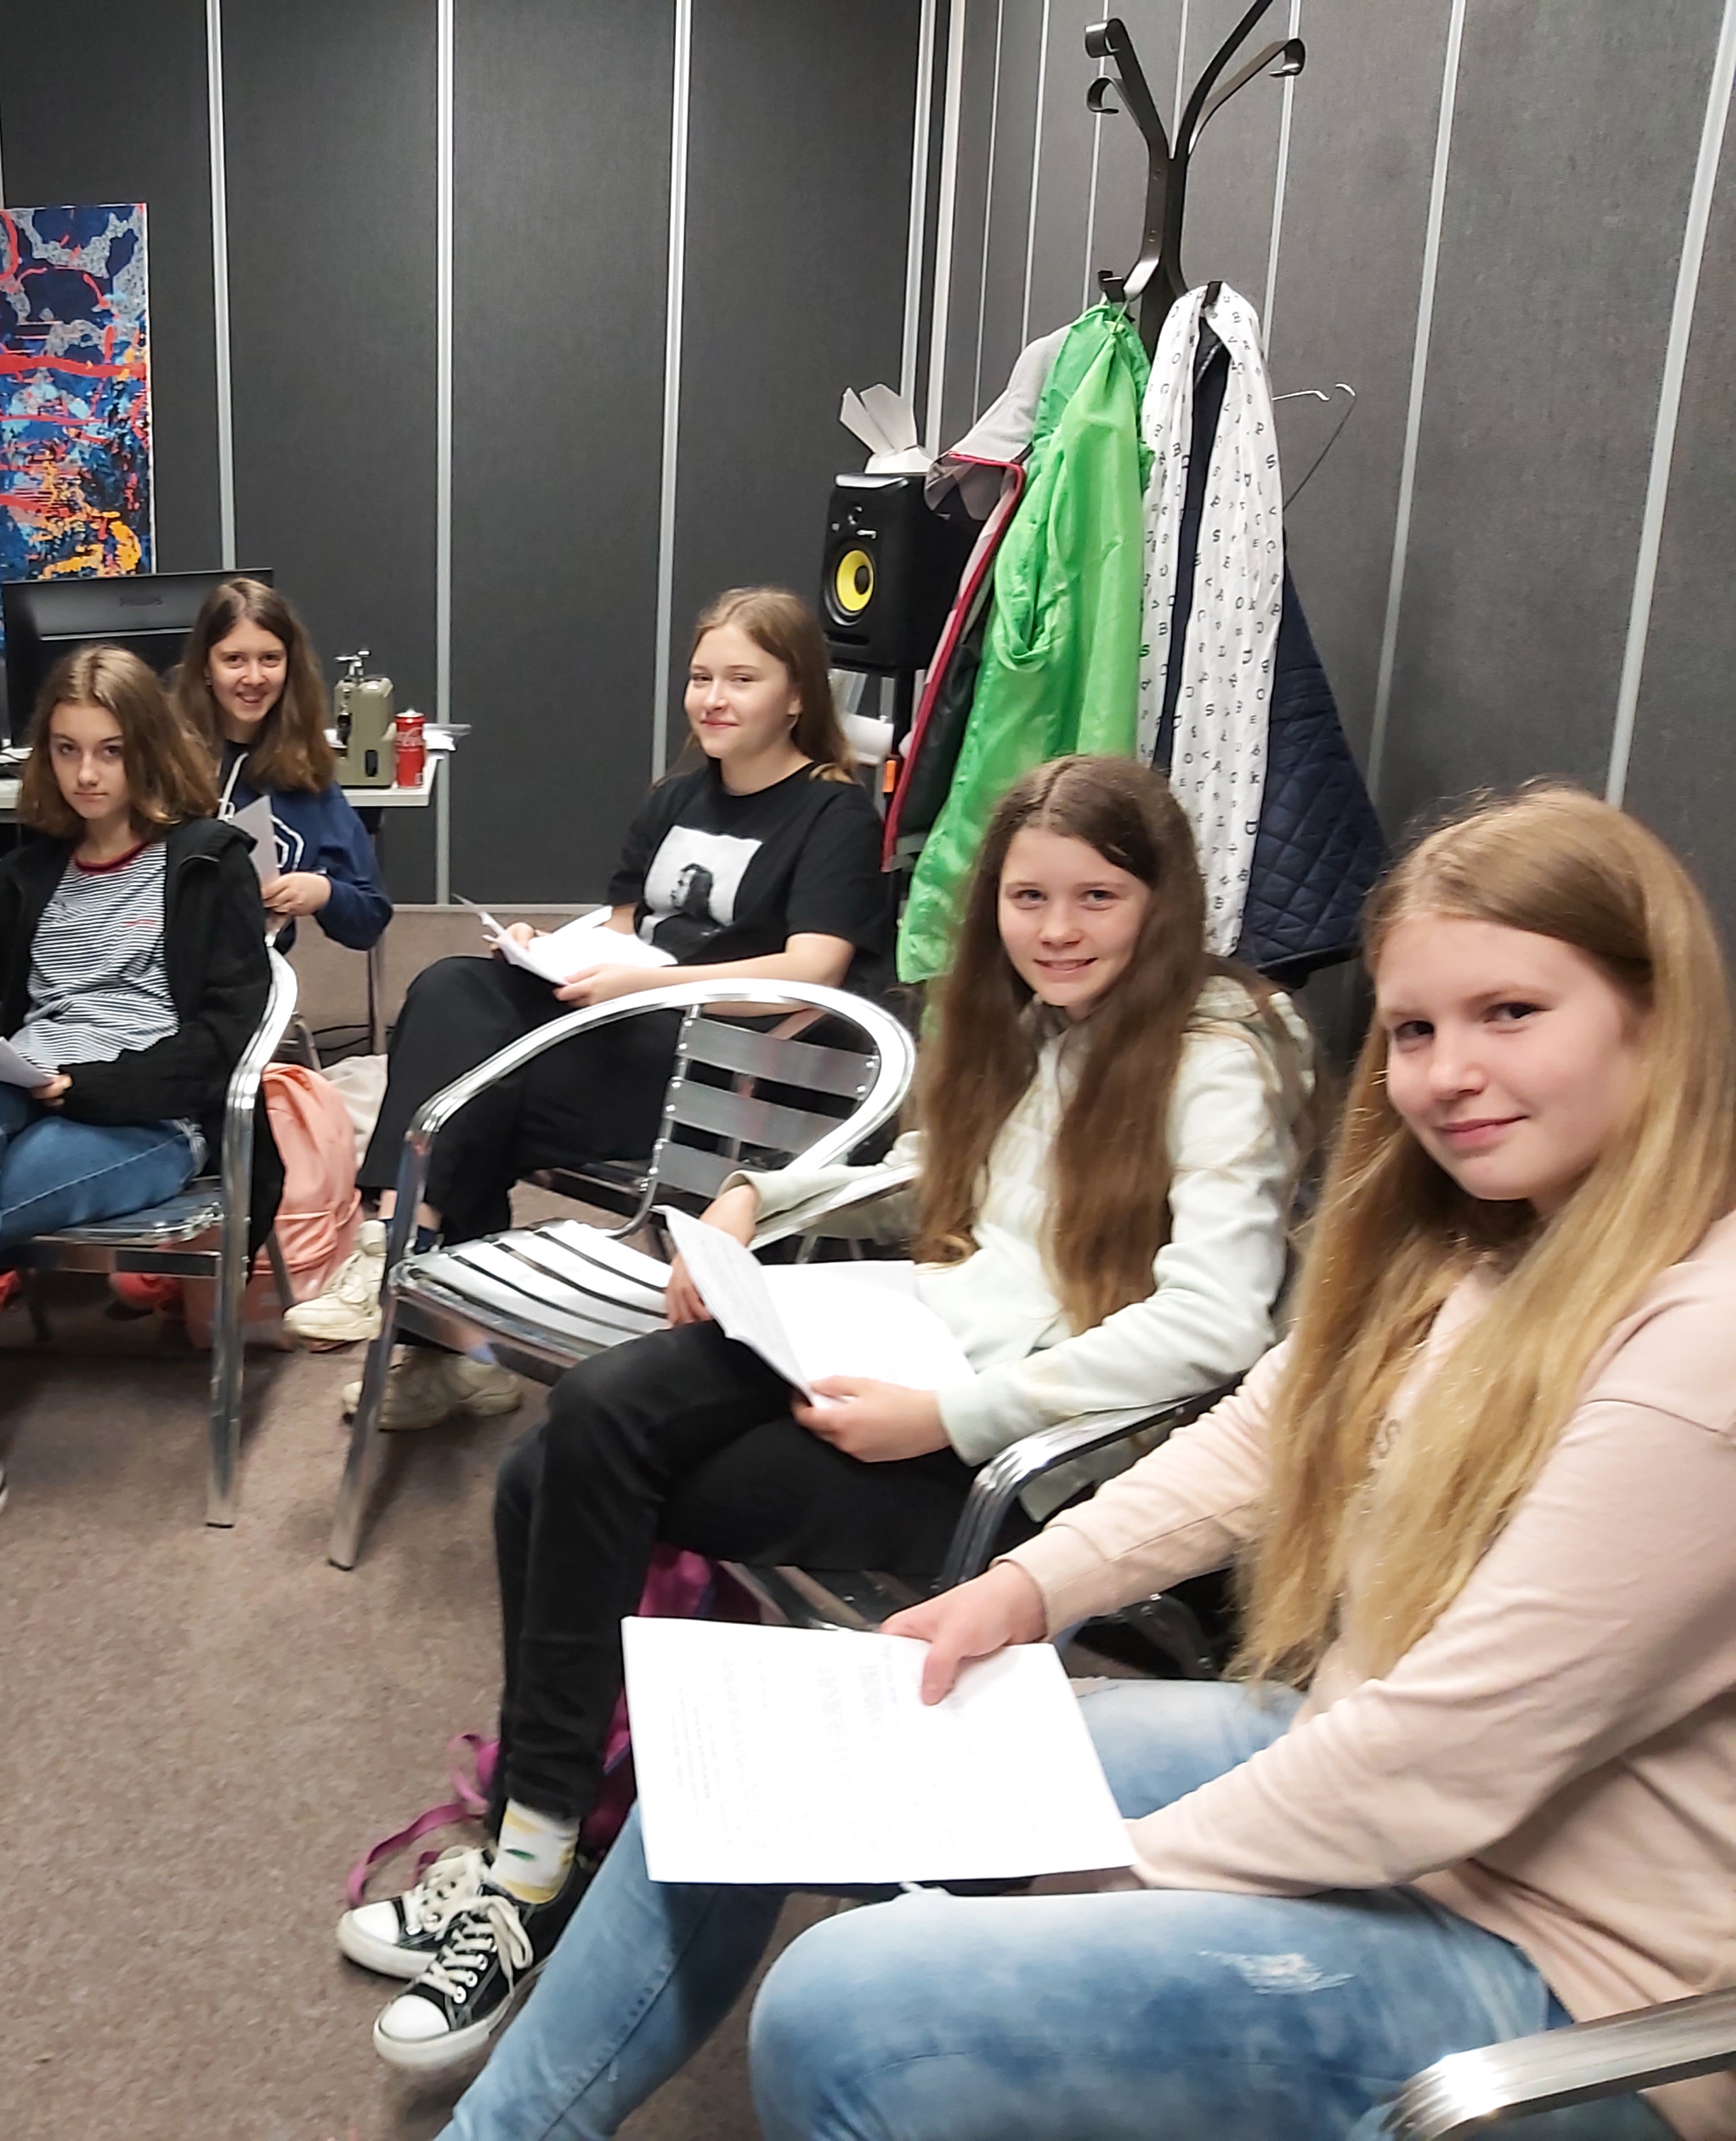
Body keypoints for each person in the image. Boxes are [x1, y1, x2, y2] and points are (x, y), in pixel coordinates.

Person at [447, 782, 1732, 2141]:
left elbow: (1443, 1756)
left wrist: (1102, 1876)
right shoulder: (1478, 1234)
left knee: (844, 2007)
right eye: (1414, 1028)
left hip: (1562, 1960)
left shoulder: (1697, 1345)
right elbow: (1263, 1433)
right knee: (768, 1749)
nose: (1446, 1072)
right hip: (1369, 1763)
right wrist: (1024, 1591)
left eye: (1510, 1012)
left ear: (1654, 1012)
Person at [339, 753, 1315, 2068]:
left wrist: (956, 1414)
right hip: (909, 1338)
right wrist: (760, 1194)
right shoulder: (1037, 1017)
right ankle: (538, 1852)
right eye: (1028, 897)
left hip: (1019, 1452)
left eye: (1097, 896)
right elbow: (928, 1167)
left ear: (1163, 899)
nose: (1057, 929)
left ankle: (530, 1864)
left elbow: (1216, 1324)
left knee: (556, 1475)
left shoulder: (1216, 1057)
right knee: (579, 1439)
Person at [302, 587, 891, 1420]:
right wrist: (549, 951)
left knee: (478, 1088)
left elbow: (811, 971)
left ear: (796, 696)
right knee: (453, 989)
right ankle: (406, 1245)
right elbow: (622, 929)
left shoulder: (833, 813)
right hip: (624, 1032)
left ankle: (428, 1306)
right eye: (701, 678)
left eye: (742, 680)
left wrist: (644, 987)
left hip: (723, 1077)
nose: (713, 699)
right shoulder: (675, 799)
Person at [0, 644, 275, 1581]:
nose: (87, 774)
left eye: (111, 751)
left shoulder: (207, 865)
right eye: (67, 749)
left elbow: (224, 1040)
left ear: (148, 751)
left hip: (144, 1118)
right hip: (26, 1084)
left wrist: (80, 1089)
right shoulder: (33, 873)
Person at [173, 574, 392, 956]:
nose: (254, 677)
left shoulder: (305, 775)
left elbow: (370, 917)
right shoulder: (164, 756)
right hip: (153, 970)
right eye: (234, 660)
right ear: (205, 667)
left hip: (251, 972)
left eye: (270, 659)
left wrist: (323, 892)